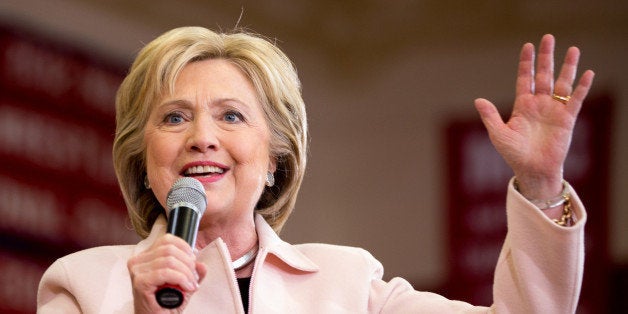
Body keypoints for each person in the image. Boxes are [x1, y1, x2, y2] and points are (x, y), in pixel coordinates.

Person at [37, 26, 594, 313]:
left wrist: (543, 184)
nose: (202, 137)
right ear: (142, 155)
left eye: (231, 116)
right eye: (174, 118)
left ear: (277, 157)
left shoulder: (347, 285)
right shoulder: (84, 285)